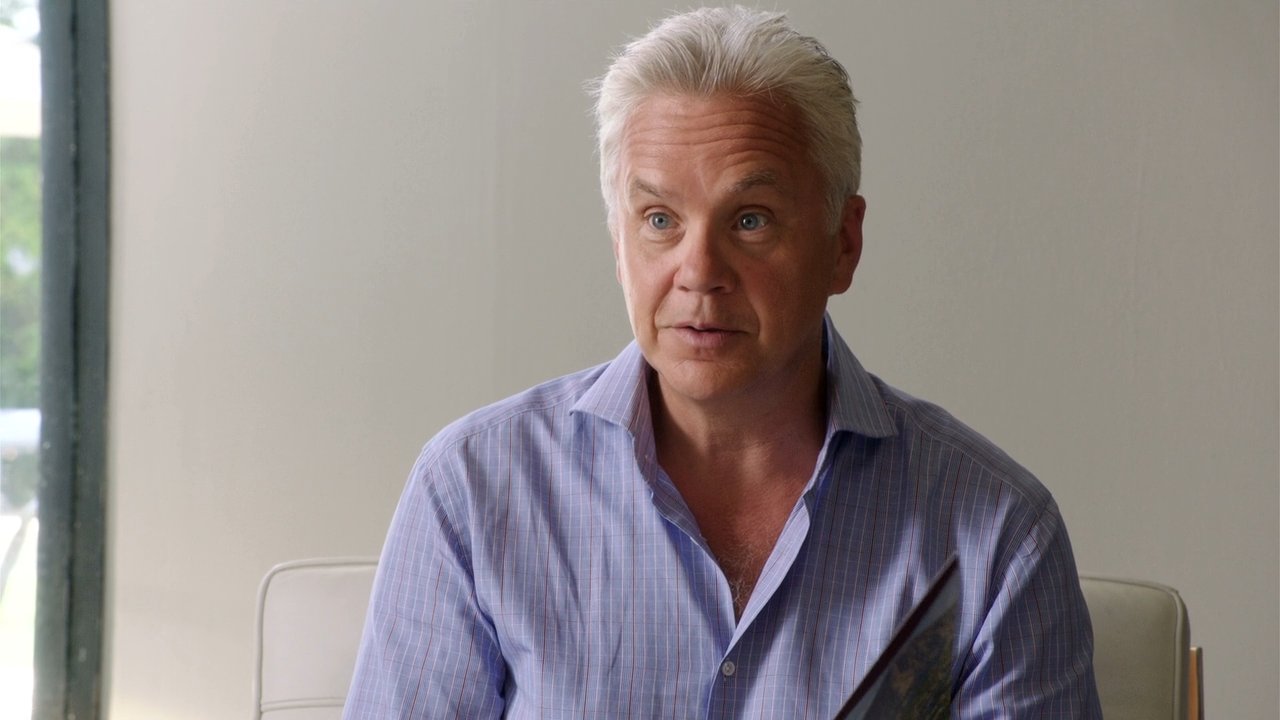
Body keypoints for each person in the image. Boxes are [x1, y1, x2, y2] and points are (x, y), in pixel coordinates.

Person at [344, 7, 1101, 718]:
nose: (699, 271)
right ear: (619, 245)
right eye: (660, 219)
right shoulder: (472, 493)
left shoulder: (996, 533)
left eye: (750, 220)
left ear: (843, 243)